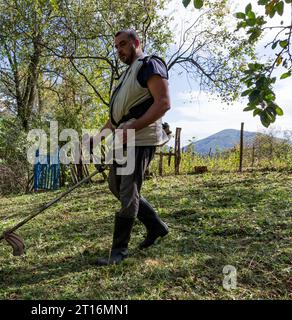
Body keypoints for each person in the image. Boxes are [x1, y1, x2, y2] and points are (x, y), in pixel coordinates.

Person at [90, 29, 171, 266]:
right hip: (124, 139)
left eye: (123, 44)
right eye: (116, 47)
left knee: (127, 191)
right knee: (116, 186)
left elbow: (163, 103)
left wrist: (133, 128)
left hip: (141, 138)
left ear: (136, 42)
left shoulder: (150, 64)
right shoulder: (126, 76)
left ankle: (119, 252)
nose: (119, 50)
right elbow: (116, 118)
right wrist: (97, 138)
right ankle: (156, 226)